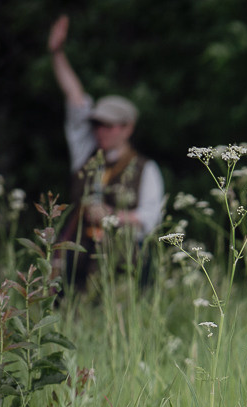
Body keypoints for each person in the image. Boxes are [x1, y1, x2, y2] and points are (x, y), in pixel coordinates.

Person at [47, 14, 164, 293]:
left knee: (137, 273)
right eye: (98, 125)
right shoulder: (85, 153)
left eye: (109, 126)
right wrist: (56, 53)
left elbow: (151, 217)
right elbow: (76, 99)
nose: (101, 132)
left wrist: (112, 216)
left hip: (122, 255)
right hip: (79, 251)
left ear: (127, 128)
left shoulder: (146, 168)